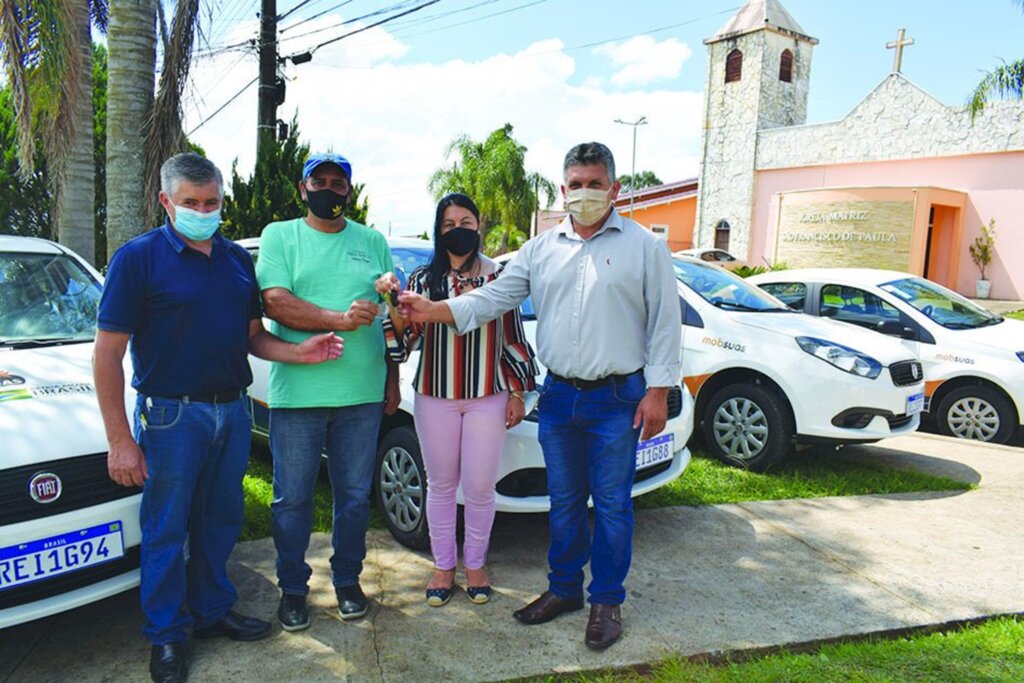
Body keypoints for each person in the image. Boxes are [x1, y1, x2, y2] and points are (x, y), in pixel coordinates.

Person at [399, 142, 682, 650]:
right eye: (576, 184)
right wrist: (433, 310)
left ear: (615, 189)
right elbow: (495, 298)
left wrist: (658, 391)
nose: (585, 193)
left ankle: (607, 601)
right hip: (558, 396)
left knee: (613, 505)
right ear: (562, 189)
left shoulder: (645, 246)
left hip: (618, 397)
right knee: (566, 502)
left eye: (595, 184)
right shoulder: (540, 249)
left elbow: (665, 323)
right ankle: (564, 590)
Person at [94, 152, 343, 683]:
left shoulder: (235, 259)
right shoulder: (137, 260)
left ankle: (210, 611)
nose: (203, 211)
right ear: (166, 201)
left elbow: (252, 335)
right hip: (170, 417)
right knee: (166, 528)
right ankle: (166, 635)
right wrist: (120, 439)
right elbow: (106, 355)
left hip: (230, 411)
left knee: (219, 521)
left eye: (212, 203)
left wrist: (303, 352)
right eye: (191, 203)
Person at [255, 152, 400, 632]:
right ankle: (293, 589)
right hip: (298, 395)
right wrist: (338, 319)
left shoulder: (372, 240)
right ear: (303, 189)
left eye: (339, 184)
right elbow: (276, 302)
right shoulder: (282, 235)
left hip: (361, 393)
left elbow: (393, 317)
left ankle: (346, 580)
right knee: (292, 498)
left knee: (355, 498)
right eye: (320, 181)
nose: (330, 190)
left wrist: (392, 295)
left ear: (348, 192)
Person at [375, 193, 538, 606]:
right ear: (438, 230)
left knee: (481, 487)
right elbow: (404, 342)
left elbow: (514, 338)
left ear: (479, 225)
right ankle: (444, 565)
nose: (458, 230)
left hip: (488, 397)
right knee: (442, 485)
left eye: (465, 221)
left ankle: (477, 564)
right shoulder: (421, 280)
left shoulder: (500, 277)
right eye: (449, 224)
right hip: (435, 396)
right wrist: (393, 302)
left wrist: (517, 392)